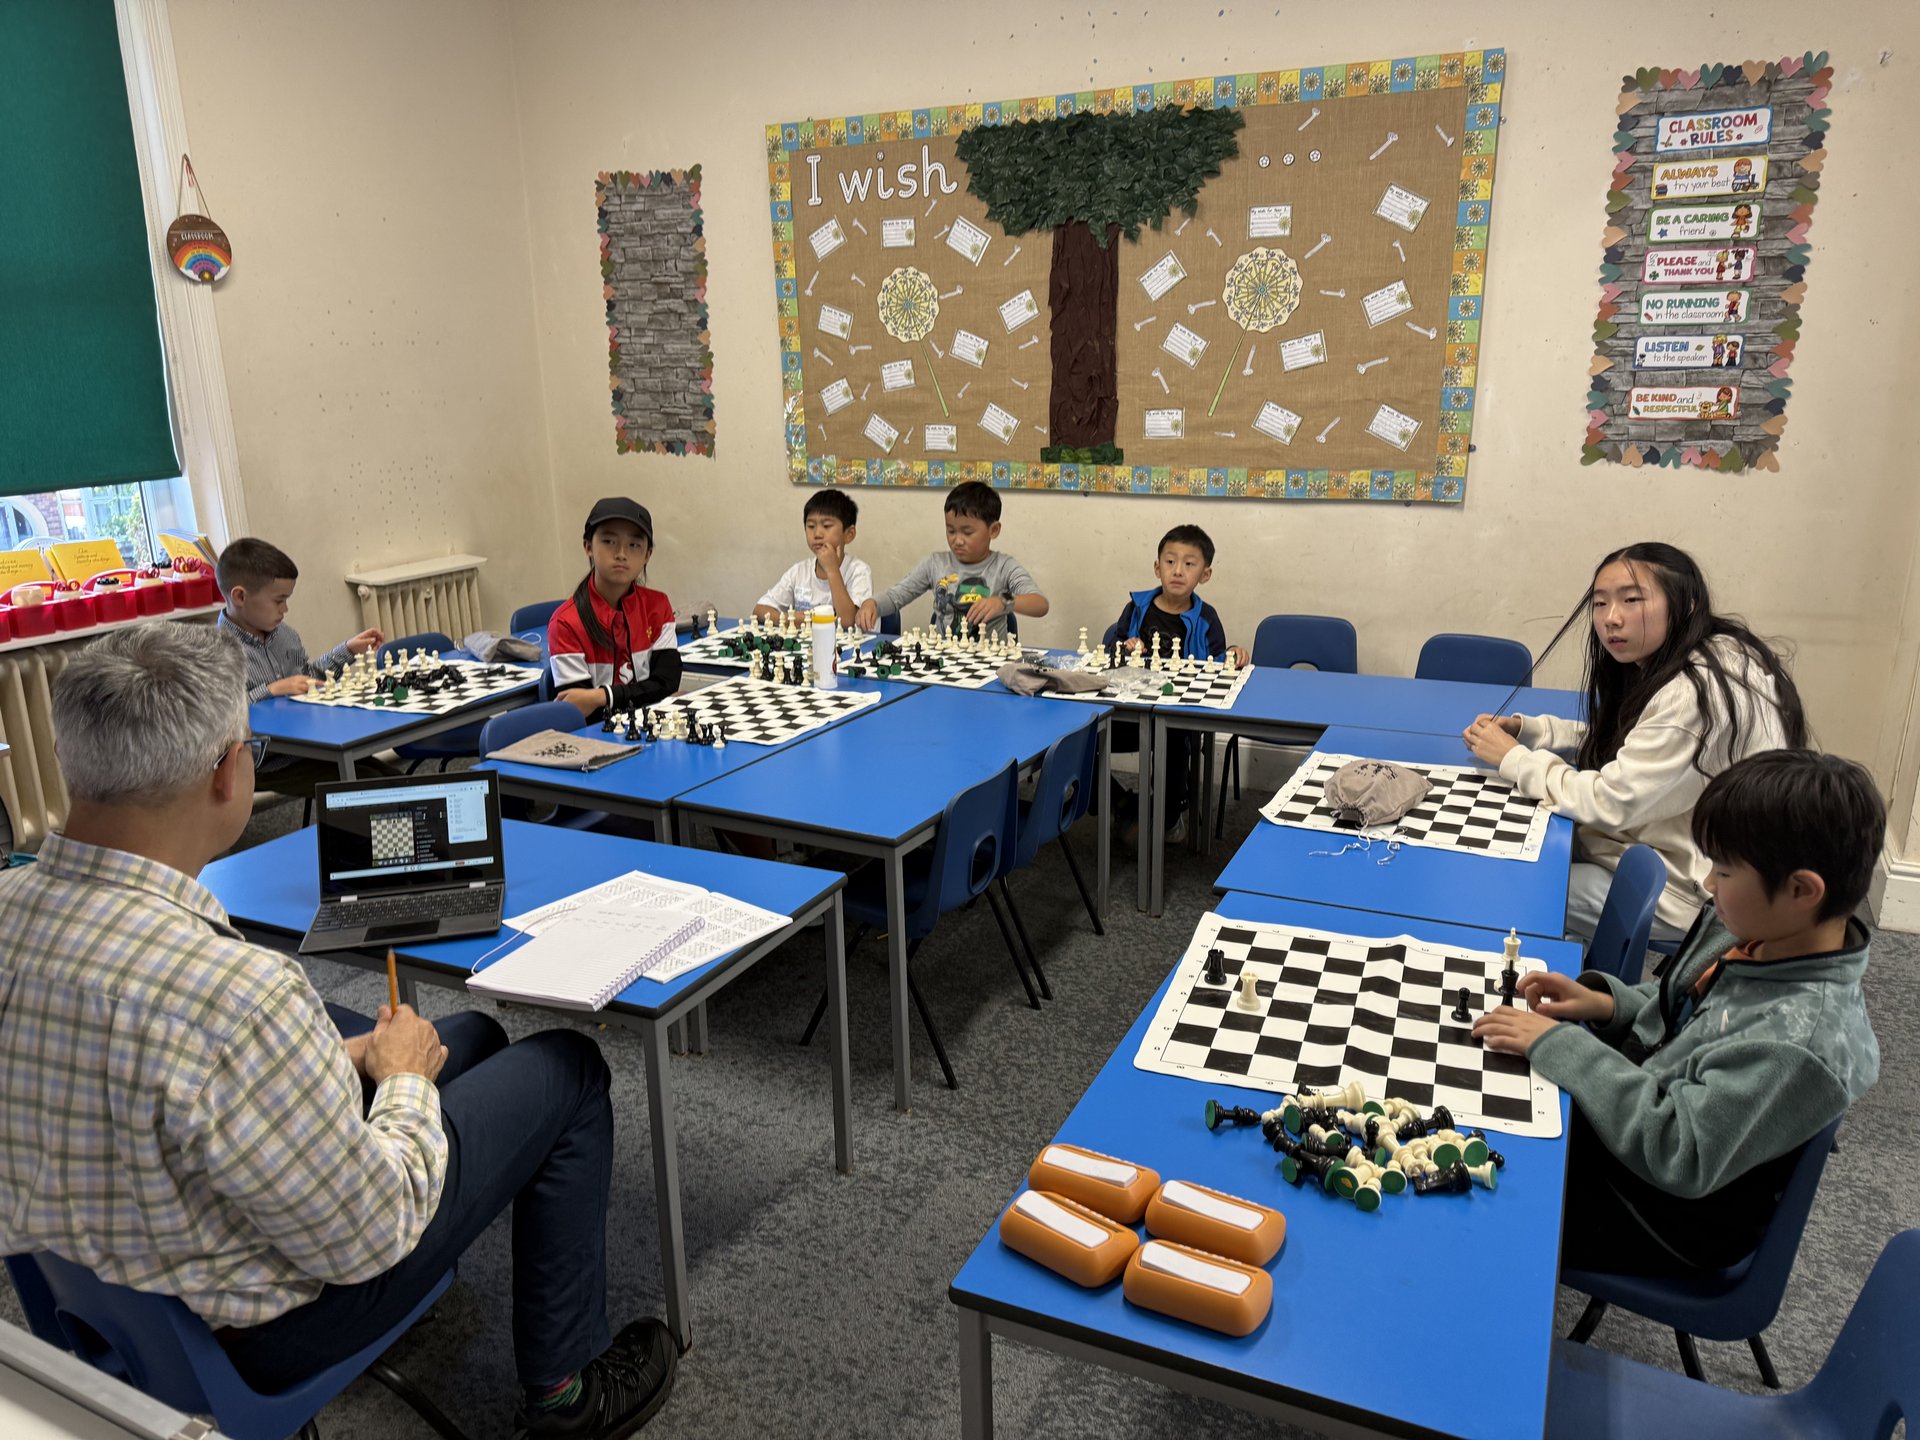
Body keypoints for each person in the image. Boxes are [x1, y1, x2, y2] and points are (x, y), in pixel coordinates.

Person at [0, 623, 676, 1437]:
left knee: (471, 1036)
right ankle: (568, 1394)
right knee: (567, 1066)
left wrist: (336, 1059)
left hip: (104, 1302)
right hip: (261, 1330)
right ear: (228, 771)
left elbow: (176, 1080)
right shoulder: (239, 994)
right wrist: (402, 1082)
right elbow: (371, 1231)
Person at [1475, 749, 1882, 1276]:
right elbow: (1688, 1005)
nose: (1709, 884)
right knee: (1492, 1087)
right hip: (1641, 1117)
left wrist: (1560, 1045)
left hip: (1660, 1215)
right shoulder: (1763, 930)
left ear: (1801, 890)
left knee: (1485, 1182)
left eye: (1724, 870)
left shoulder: (1797, 1043)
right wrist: (1610, 1003)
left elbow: (1677, 1150)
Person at [1463, 542, 1806, 942]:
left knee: (1514, 885)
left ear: (1687, 605)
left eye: (1632, 600)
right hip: (1679, 853)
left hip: (1693, 892)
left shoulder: (1694, 694)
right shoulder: (1712, 652)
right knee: (1532, 842)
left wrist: (1515, 759)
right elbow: (1636, 740)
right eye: (1600, 603)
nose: (1611, 618)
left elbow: (1609, 802)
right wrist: (1534, 731)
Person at [1107, 524, 1250, 842]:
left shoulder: (1206, 618)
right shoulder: (1136, 609)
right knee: (1085, 736)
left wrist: (1232, 654)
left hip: (1178, 715)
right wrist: (1125, 647)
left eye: (1189, 564)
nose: (1178, 571)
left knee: (1173, 740)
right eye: (1170, 561)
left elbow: (1215, 664)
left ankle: (1170, 817)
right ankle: (1121, 802)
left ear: (1205, 574)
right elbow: (1111, 653)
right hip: (1133, 709)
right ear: (1157, 568)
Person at [215, 536, 392, 789]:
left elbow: (308, 678)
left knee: (395, 779)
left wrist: (349, 650)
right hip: (265, 764)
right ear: (240, 596)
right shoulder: (216, 653)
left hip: (313, 746)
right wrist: (271, 690)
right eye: (279, 600)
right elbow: (221, 718)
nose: (285, 609)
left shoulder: (284, 635)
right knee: (373, 786)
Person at [855, 481, 1047, 639]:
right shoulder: (935, 564)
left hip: (991, 661)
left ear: (993, 530)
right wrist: (872, 603)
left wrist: (1003, 602)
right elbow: (897, 595)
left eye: (967, 532)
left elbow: (1040, 604)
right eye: (951, 530)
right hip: (946, 659)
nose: (957, 540)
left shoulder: (1004, 566)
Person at [549, 497, 681, 723]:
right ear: (588, 546)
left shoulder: (658, 606)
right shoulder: (565, 622)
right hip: (595, 735)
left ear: (647, 555)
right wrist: (638, 694)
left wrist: (602, 696)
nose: (621, 553)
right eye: (609, 541)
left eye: (634, 545)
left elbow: (667, 684)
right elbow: (580, 708)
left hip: (650, 728)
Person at [753, 489, 871, 628]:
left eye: (826, 526)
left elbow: (847, 622)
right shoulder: (799, 571)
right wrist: (796, 619)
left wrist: (832, 569)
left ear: (849, 534)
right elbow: (759, 610)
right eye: (811, 526)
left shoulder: (859, 571)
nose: (817, 534)